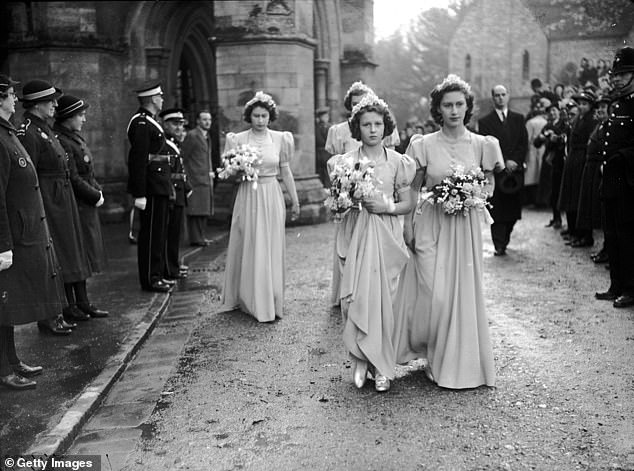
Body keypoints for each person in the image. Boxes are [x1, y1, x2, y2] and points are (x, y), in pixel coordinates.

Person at [396, 74, 502, 389]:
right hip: (430, 222)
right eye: (447, 105)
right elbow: (412, 189)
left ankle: (448, 361)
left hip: (464, 227)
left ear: (468, 107)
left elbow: (490, 184)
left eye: (459, 104)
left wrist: (473, 192)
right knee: (433, 292)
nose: (454, 110)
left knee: (460, 294)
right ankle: (428, 349)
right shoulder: (423, 144)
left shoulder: (483, 144)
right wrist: (406, 223)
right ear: (438, 109)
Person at [328, 93, 415, 392]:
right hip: (356, 232)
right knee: (355, 299)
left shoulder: (398, 162)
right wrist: (346, 201)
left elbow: (408, 203)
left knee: (385, 301)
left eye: (378, 123)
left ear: (386, 126)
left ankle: (381, 365)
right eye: (366, 124)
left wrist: (388, 207)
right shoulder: (345, 162)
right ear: (357, 128)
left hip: (386, 234)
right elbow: (335, 204)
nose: (373, 130)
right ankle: (359, 359)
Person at [0, 74, 67, 389]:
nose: (16, 101)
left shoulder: (8, 133)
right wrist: (2, 245)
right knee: (3, 303)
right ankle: (4, 370)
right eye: (12, 95)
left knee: (9, 303)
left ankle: (12, 360)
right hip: (11, 234)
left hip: (22, 230)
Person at [17, 80, 93, 329]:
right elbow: (30, 174)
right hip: (49, 199)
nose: (55, 105)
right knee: (56, 254)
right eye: (50, 101)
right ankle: (56, 313)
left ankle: (69, 306)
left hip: (60, 195)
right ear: (37, 104)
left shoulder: (44, 128)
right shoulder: (28, 131)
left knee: (68, 251)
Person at [220, 91, 300, 322]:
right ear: (249, 116)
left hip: (271, 193)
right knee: (250, 242)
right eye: (256, 115)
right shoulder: (238, 139)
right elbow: (228, 173)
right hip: (248, 194)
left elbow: (285, 170)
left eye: (264, 115)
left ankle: (271, 298)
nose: (260, 120)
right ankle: (249, 297)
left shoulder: (280, 138)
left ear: (270, 116)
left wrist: (294, 200)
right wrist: (238, 169)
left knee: (271, 243)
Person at [325, 81, 401, 307]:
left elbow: (391, 167)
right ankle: (347, 291)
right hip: (351, 189)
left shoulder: (383, 137)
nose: (373, 127)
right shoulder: (339, 132)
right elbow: (337, 171)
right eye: (356, 103)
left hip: (378, 195)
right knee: (351, 253)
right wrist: (344, 190)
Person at [54, 95, 109, 319]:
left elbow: (88, 172)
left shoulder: (73, 137)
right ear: (68, 117)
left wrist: (97, 190)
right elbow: (74, 177)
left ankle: (83, 301)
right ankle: (72, 303)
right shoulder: (63, 140)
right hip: (77, 204)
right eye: (80, 115)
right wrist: (95, 195)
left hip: (85, 202)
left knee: (83, 255)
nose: (84, 119)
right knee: (74, 255)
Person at [595, 47, 634, 308]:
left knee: (628, 235)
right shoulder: (618, 104)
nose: (617, 79)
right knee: (612, 234)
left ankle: (630, 289)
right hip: (612, 180)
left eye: (623, 74)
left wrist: (621, 157)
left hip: (629, 180)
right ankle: (616, 284)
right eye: (615, 75)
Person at [126, 82, 173, 292]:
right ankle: (151, 278)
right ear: (153, 99)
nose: (162, 100)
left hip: (159, 185)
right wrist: (140, 193)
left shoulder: (151, 122)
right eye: (160, 97)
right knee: (151, 234)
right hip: (151, 187)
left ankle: (158, 274)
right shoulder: (142, 123)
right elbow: (138, 160)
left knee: (159, 232)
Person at [477, 84, 528, 256]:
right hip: (497, 171)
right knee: (497, 210)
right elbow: (486, 145)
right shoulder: (485, 122)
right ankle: (499, 244)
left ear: (508, 96)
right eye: (497, 95)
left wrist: (516, 161)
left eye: (503, 94)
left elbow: (523, 143)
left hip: (515, 172)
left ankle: (505, 237)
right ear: (493, 98)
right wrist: (503, 161)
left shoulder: (519, 119)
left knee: (513, 210)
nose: (500, 98)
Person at [558, 88, 598, 248]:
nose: (581, 107)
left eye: (584, 104)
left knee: (581, 197)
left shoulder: (590, 121)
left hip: (581, 159)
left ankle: (584, 235)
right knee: (573, 196)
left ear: (590, 106)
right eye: (579, 104)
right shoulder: (579, 120)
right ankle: (576, 232)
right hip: (574, 159)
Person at [159, 108, 192, 280]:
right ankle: (169, 268)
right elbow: (166, 173)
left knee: (175, 233)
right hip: (171, 194)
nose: (179, 128)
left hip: (178, 193)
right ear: (164, 125)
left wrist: (186, 186)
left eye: (181, 124)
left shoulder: (174, 144)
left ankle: (174, 265)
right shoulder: (163, 144)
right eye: (174, 124)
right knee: (169, 234)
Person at [576, 94, 610, 257]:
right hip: (592, 167)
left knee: (602, 211)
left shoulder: (608, 127)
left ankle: (607, 249)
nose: (601, 110)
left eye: (604, 107)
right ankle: (604, 248)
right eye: (600, 107)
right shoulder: (601, 126)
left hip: (599, 168)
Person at [181, 110, 214, 246]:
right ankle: (196, 238)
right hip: (195, 179)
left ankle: (201, 236)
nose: (207, 122)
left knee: (203, 210)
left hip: (205, 178)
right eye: (204, 119)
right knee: (195, 210)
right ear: (198, 121)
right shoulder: (192, 135)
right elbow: (184, 156)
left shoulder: (206, 136)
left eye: (209, 119)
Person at [534, 102, 569, 229]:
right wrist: (542, 137)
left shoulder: (564, 125)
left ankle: (561, 218)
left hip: (560, 160)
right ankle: (555, 217)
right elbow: (536, 143)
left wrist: (556, 138)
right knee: (551, 190)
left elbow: (564, 140)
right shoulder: (547, 126)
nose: (552, 113)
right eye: (550, 111)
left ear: (559, 111)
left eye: (554, 110)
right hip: (549, 161)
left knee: (558, 189)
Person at [524, 96, 550, 207]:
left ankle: (534, 200)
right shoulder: (545, 122)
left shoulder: (530, 123)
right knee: (539, 174)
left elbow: (527, 138)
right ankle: (541, 200)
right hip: (543, 149)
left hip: (533, 149)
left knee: (532, 175)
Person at [314, 106, 331, 187]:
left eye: (327, 116)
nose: (326, 118)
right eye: (324, 116)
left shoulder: (330, 128)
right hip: (319, 154)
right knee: (320, 172)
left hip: (328, 153)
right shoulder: (316, 127)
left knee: (328, 173)